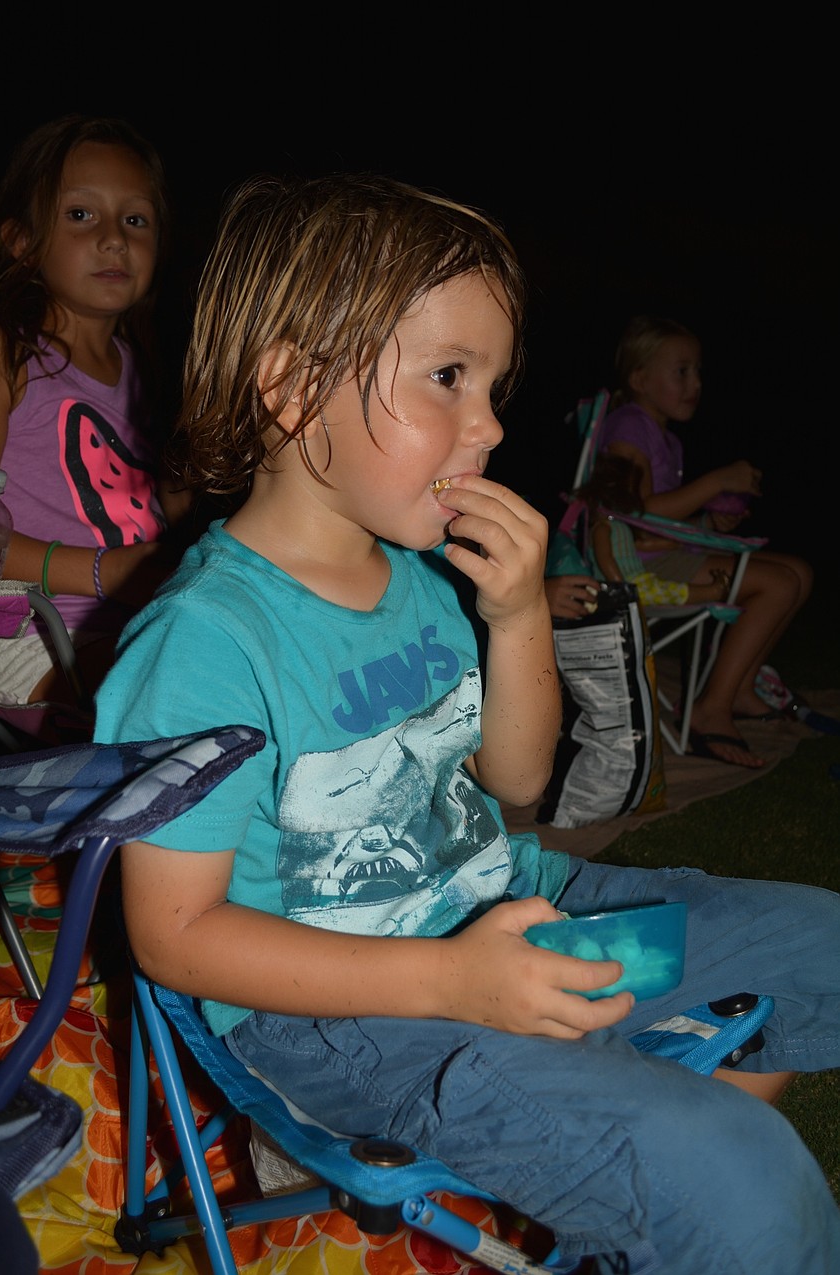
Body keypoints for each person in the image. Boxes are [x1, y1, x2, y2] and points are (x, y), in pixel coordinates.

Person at [94, 174, 840, 1273]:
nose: (489, 423)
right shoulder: (203, 643)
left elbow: (517, 779)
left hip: (507, 904)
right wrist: (452, 985)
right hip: (345, 1014)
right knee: (747, 1180)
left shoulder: (417, 580)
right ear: (295, 390)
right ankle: (688, 1172)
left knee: (818, 947)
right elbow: (175, 937)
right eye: (449, 377)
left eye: (492, 383)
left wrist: (514, 612)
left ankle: (652, 1172)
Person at [0, 115, 188, 710]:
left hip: (140, 621)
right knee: (177, 697)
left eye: (135, 219)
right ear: (22, 241)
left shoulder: (152, 372)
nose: (114, 238)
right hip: (30, 629)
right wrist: (112, 574)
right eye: (81, 215)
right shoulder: (6, 353)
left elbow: (175, 517)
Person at [596, 314, 813, 768]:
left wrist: (705, 522)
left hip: (663, 553)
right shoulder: (629, 425)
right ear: (640, 378)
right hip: (635, 567)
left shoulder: (664, 438)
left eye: (698, 371)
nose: (695, 382)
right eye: (682, 371)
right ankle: (710, 710)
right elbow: (632, 515)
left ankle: (743, 689)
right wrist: (717, 481)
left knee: (798, 572)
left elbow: (657, 515)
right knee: (778, 584)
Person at [576, 451, 733, 607]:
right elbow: (605, 558)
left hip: (636, 577)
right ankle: (712, 592)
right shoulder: (602, 528)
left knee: (662, 588)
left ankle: (712, 591)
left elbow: (639, 545)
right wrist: (620, 585)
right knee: (665, 591)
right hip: (623, 583)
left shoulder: (618, 525)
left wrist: (668, 544)